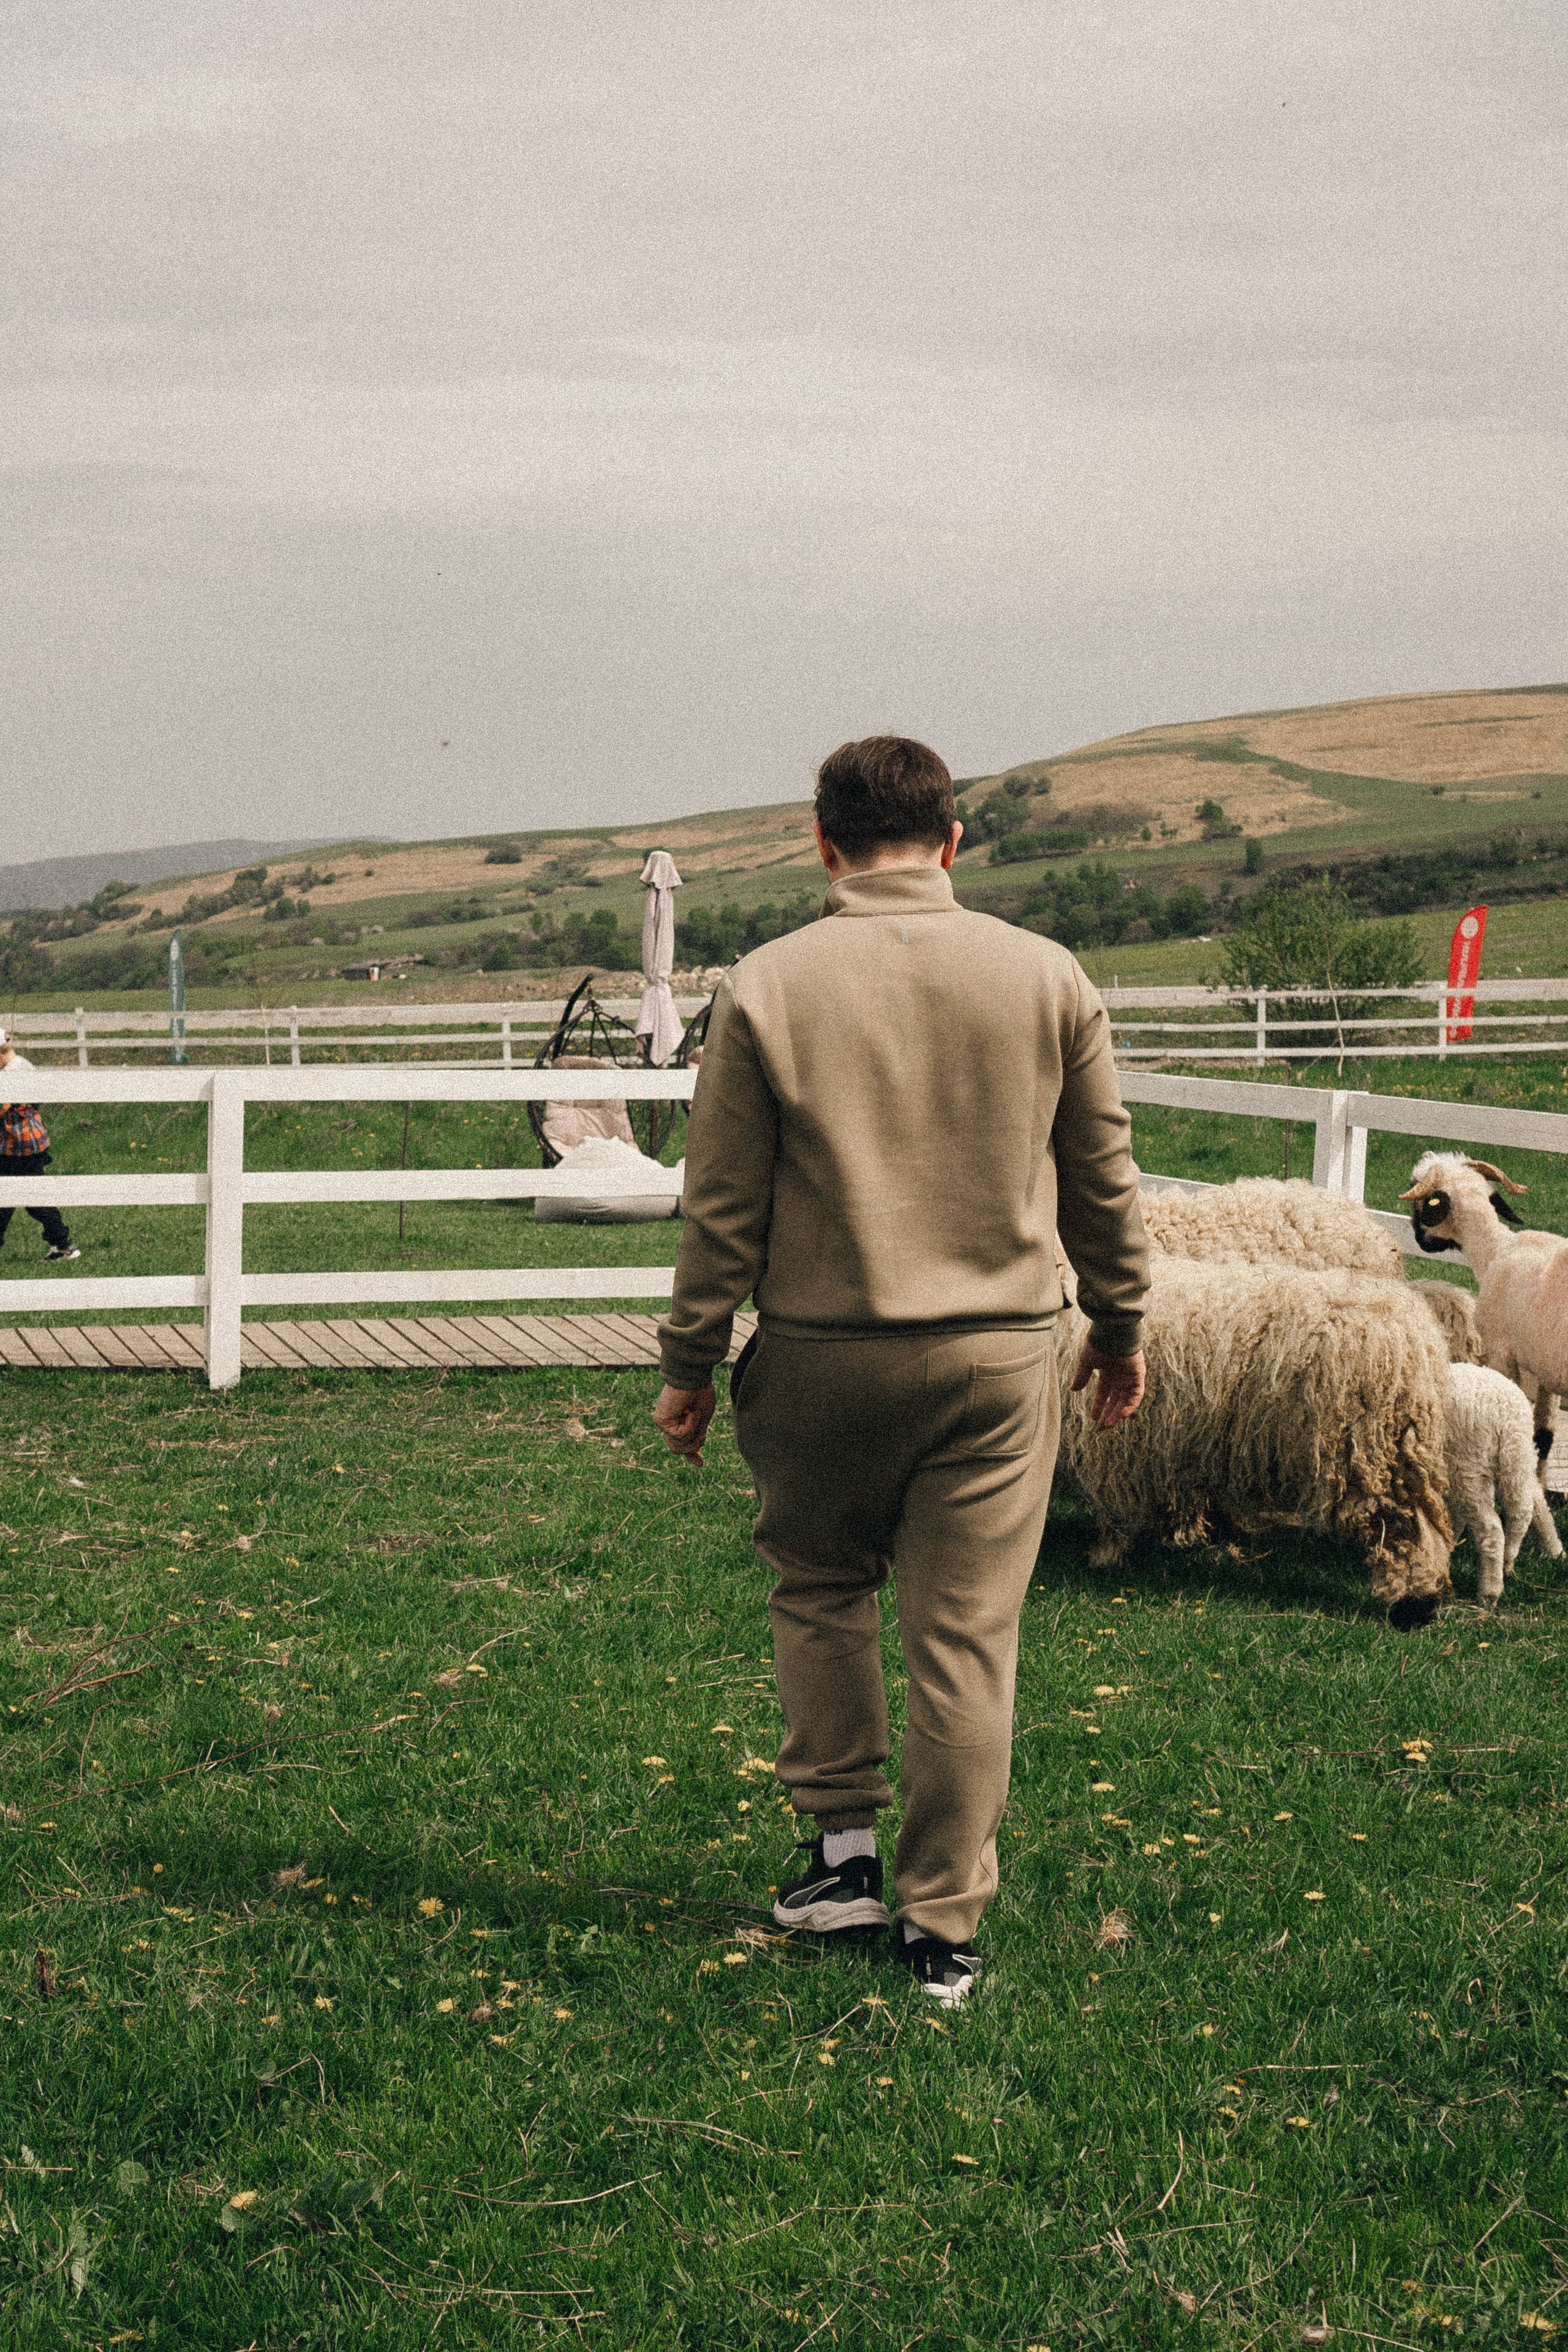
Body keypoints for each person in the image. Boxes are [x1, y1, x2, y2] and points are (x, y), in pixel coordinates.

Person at [652, 737, 1148, 2007]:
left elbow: (721, 1206)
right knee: (965, 1638)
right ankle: (944, 1931)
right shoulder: (1046, 976)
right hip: (994, 1358)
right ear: (952, 841)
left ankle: (839, 1864)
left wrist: (691, 1360)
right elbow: (1101, 1180)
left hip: (818, 1356)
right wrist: (1121, 1325)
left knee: (819, 1593)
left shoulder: (765, 985)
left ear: (822, 842)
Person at [0, 1027, 80, 1263]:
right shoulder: (24, 1064)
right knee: (18, 1199)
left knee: (22, 1199)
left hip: (19, 1149)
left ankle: (64, 1245)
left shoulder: (9, 1076)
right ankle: (63, 1245)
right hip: (28, 1146)